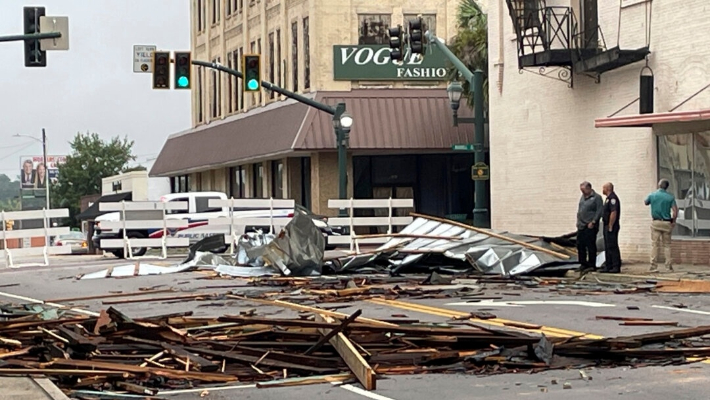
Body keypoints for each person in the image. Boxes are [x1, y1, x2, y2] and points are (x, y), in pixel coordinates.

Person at [644, 179, 678, 272]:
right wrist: (673, 221)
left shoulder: (652, 195)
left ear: (659, 185)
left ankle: (653, 266)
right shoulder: (670, 197)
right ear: (667, 187)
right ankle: (668, 266)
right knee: (667, 245)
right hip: (667, 223)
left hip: (656, 222)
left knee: (655, 245)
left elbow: (646, 202)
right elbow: (675, 211)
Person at [576, 181, 603, 271]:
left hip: (590, 226)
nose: (582, 192)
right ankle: (583, 263)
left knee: (590, 245)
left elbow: (599, 211)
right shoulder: (582, 198)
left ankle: (592, 264)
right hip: (581, 225)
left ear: (589, 188)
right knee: (580, 245)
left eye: (583, 190)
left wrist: (594, 221)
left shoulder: (596, 198)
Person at [600, 182, 621, 273]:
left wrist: (611, 225)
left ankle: (616, 266)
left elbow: (613, 212)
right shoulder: (607, 199)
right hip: (606, 225)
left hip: (611, 225)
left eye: (603, 188)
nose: (602, 190)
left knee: (612, 245)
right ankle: (609, 265)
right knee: (607, 246)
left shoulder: (613, 199)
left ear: (607, 189)